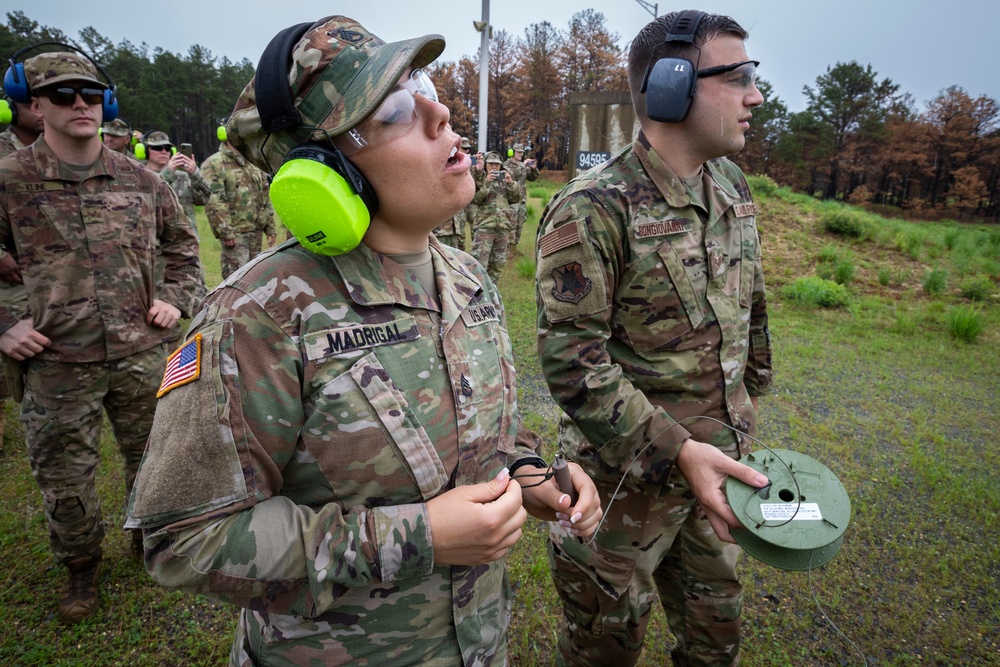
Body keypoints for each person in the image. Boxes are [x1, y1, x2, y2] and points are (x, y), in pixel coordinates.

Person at [126, 14, 601, 667]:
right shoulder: (257, 315)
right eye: (397, 110)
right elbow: (183, 536)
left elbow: (487, 435)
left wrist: (527, 474)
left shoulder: (467, 280)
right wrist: (420, 535)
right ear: (325, 173)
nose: (441, 114)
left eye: (423, 86)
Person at [534, 10, 774, 666]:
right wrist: (680, 450)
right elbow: (571, 361)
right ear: (671, 86)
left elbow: (750, 307)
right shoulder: (594, 207)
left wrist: (742, 410)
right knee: (603, 648)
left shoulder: (730, 184)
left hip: (716, 471)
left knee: (715, 638)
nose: (756, 95)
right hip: (620, 490)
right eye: (740, 76)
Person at [0, 50, 202, 624]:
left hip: (142, 352)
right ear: (36, 106)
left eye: (90, 93)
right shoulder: (10, 181)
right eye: (63, 95)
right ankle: (81, 566)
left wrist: (176, 299)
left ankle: (148, 538)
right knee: (65, 476)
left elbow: (184, 249)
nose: (81, 104)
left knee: (157, 460)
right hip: (57, 360)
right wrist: (4, 324)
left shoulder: (143, 181)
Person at [200, 138, 277, 278]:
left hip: (256, 232)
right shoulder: (215, 164)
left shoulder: (253, 163)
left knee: (254, 277)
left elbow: (265, 196)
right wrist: (225, 231)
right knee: (236, 279)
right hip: (235, 235)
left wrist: (270, 226)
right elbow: (214, 200)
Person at [471, 151, 519, 283]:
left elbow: (515, 199)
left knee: (498, 265)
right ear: (486, 164)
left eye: (497, 165)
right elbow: (475, 199)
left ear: (501, 166)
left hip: (503, 227)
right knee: (479, 265)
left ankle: (492, 295)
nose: (494, 167)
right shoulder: (480, 178)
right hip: (485, 227)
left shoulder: (505, 179)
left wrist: (510, 184)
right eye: (491, 164)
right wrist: (486, 184)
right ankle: (477, 297)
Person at [502, 142, 539, 250]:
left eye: (522, 152)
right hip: (512, 200)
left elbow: (532, 178)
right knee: (511, 224)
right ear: (512, 152)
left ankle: (514, 247)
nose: (521, 154)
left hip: (522, 200)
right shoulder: (506, 165)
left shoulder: (521, 166)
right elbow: (514, 176)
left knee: (519, 224)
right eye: (518, 152)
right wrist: (523, 164)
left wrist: (533, 169)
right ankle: (509, 248)